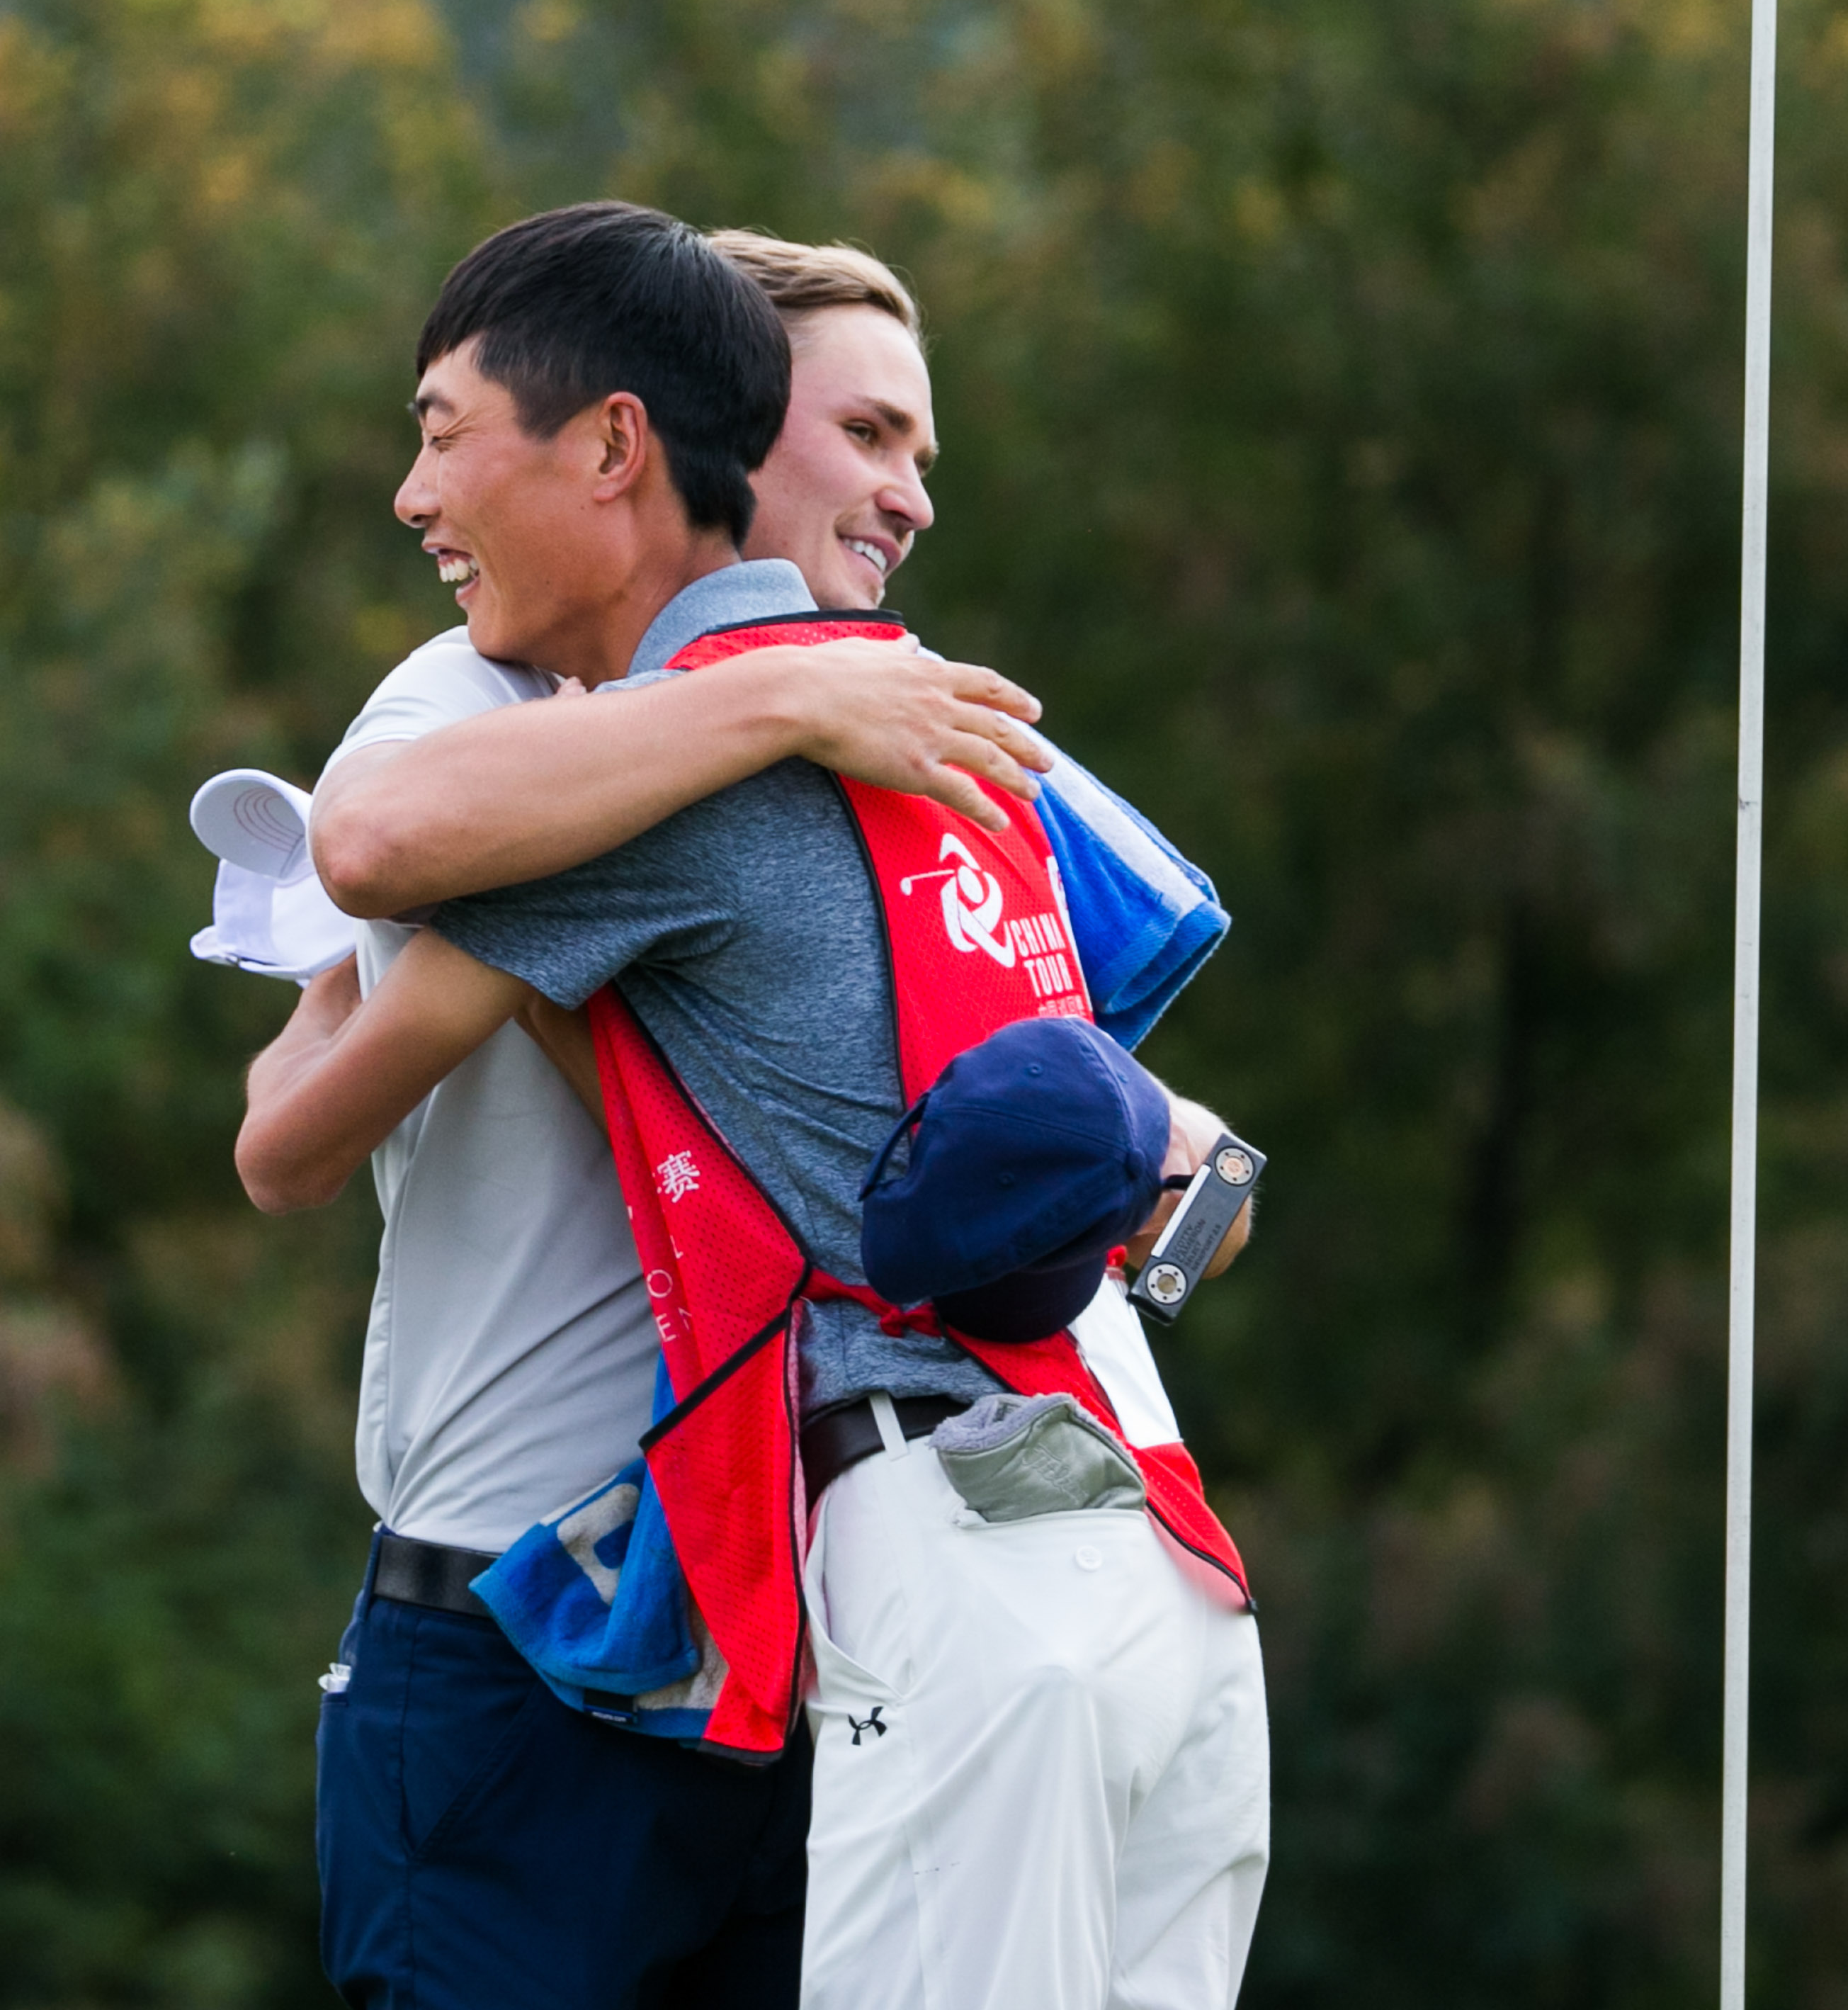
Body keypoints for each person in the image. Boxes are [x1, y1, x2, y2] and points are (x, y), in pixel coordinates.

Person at [244, 205, 1268, 2010]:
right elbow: (350, 943)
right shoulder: (523, 703)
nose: (912, 494)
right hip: (571, 1610)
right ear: (718, 426)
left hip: (828, 1606)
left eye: (917, 445)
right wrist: (788, 692)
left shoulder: (905, 720)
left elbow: (1133, 1127)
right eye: (864, 431)